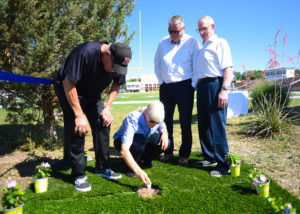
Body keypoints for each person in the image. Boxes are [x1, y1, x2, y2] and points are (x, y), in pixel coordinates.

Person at [53, 41, 132, 192]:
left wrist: (107, 108)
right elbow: (68, 83)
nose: (114, 71)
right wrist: (78, 114)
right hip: (68, 89)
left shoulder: (117, 61)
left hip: (92, 94)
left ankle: (102, 168)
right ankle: (78, 174)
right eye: (113, 67)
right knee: (78, 128)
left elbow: (117, 83)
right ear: (107, 54)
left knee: (103, 122)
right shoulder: (85, 52)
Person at [154, 15, 200, 165]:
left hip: (185, 86)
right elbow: (157, 63)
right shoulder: (162, 42)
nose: (173, 34)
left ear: (183, 28)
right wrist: (161, 82)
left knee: (185, 121)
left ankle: (184, 154)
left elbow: (197, 65)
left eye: (176, 31)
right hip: (166, 87)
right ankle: (167, 152)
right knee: (165, 121)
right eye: (170, 31)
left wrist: (193, 84)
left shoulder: (192, 42)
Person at [192, 16, 233, 177]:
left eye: (204, 28)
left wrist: (224, 90)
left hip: (215, 85)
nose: (202, 32)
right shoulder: (201, 47)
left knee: (217, 126)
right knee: (204, 124)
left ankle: (224, 164)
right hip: (202, 86)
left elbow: (228, 68)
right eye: (199, 29)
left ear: (212, 26)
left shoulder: (220, 43)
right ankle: (209, 157)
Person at [113, 100, 171, 185]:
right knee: (139, 141)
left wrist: (164, 134)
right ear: (145, 112)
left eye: (157, 123)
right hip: (121, 141)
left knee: (167, 142)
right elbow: (124, 149)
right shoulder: (133, 118)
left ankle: (146, 160)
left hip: (143, 139)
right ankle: (130, 168)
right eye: (152, 121)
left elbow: (162, 126)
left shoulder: (156, 117)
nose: (154, 125)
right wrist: (138, 171)